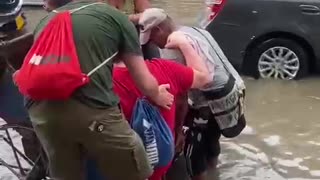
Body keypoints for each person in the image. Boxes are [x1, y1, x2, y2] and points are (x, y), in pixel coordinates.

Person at [25, 2, 174, 180]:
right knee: (136, 165)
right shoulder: (115, 17)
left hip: (39, 112)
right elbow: (143, 81)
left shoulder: (47, 20)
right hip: (90, 111)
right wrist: (157, 94)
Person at [138, 8, 246, 180]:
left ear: (158, 30)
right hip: (234, 91)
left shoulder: (171, 50)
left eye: (151, 38)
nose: (153, 44)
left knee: (192, 155)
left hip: (211, 102)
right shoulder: (195, 30)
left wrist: (179, 130)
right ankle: (214, 171)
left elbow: (180, 98)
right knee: (212, 140)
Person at [113, 31, 211, 180]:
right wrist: (184, 44)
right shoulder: (164, 68)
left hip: (123, 163)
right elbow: (204, 77)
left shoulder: (99, 82)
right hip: (160, 157)